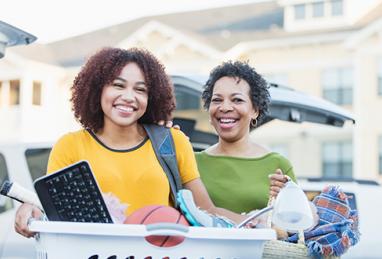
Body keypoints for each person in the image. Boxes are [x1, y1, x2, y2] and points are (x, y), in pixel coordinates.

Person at [14, 47, 249, 238]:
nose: (129, 97)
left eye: (140, 89)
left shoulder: (173, 141)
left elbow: (207, 212)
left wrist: (259, 222)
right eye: (118, 85)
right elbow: (57, 213)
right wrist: (31, 208)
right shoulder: (70, 146)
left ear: (151, 97)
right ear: (97, 90)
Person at [195, 60, 296, 215]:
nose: (225, 107)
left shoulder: (278, 165)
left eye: (237, 100)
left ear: (255, 110)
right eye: (217, 100)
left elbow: (295, 224)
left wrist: (285, 199)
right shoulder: (192, 162)